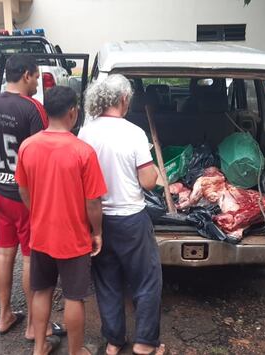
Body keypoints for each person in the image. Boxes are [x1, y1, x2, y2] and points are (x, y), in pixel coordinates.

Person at [0, 54, 66, 340]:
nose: (38, 82)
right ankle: (33, 326)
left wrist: (3, 171)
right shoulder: (33, 109)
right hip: (23, 196)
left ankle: (4, 316)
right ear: (26, 74)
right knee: (30, 257)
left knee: (5, 252)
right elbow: (42, 156)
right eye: (37, 76)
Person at [78, 74, 166, 355]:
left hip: (98, 218)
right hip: (131, 218)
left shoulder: (86, 132)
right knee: (146, 280)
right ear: (124, 100)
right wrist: (156, 171)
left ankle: (114, 341)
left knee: (107, 282)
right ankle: (143, 343)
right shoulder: (133, 133)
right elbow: (148, 182)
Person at [15, 86, 107, 355]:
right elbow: (93, 202)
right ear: (73, 112)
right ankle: (75, 351)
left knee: (42, 291)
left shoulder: (28, 146)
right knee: (73, 296)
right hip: (73, 236)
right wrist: (97, 231)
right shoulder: (83, 152)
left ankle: (40, 347)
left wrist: (38, 211)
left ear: (44, 111)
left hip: (41, 233)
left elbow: (23, 189)